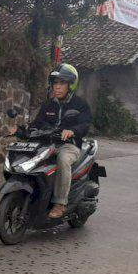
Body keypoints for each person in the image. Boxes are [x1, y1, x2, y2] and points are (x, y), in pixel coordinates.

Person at [30, 63, 92, 219]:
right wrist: (22, 130)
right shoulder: (48, 105)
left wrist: (73, 131)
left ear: (71, 85)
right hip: (48, 144)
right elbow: (37, 123)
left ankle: (60, 203)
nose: (57, 87)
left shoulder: (80, 105)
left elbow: (85, 125)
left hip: (69, 146)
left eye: (62, 83)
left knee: (62, 159)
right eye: (55, 83)